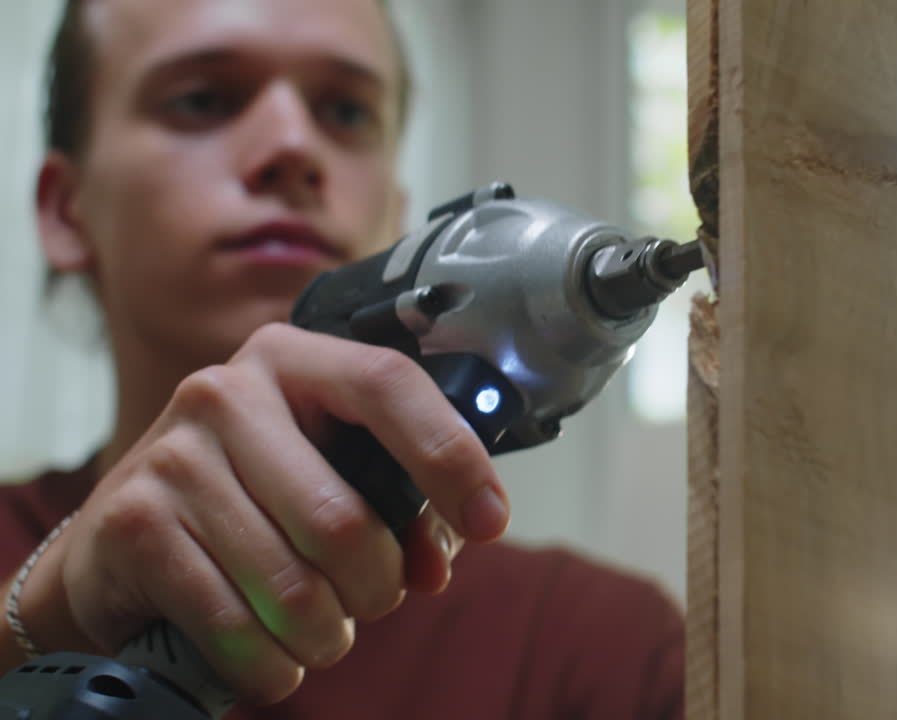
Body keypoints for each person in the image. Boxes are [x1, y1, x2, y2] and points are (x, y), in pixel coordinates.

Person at [0, 0, 684, 717]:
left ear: (396, 212)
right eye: (203, 100)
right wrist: (40, 624)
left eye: (347, 112)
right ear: (64, 209)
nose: (293, 146)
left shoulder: (601, 656)